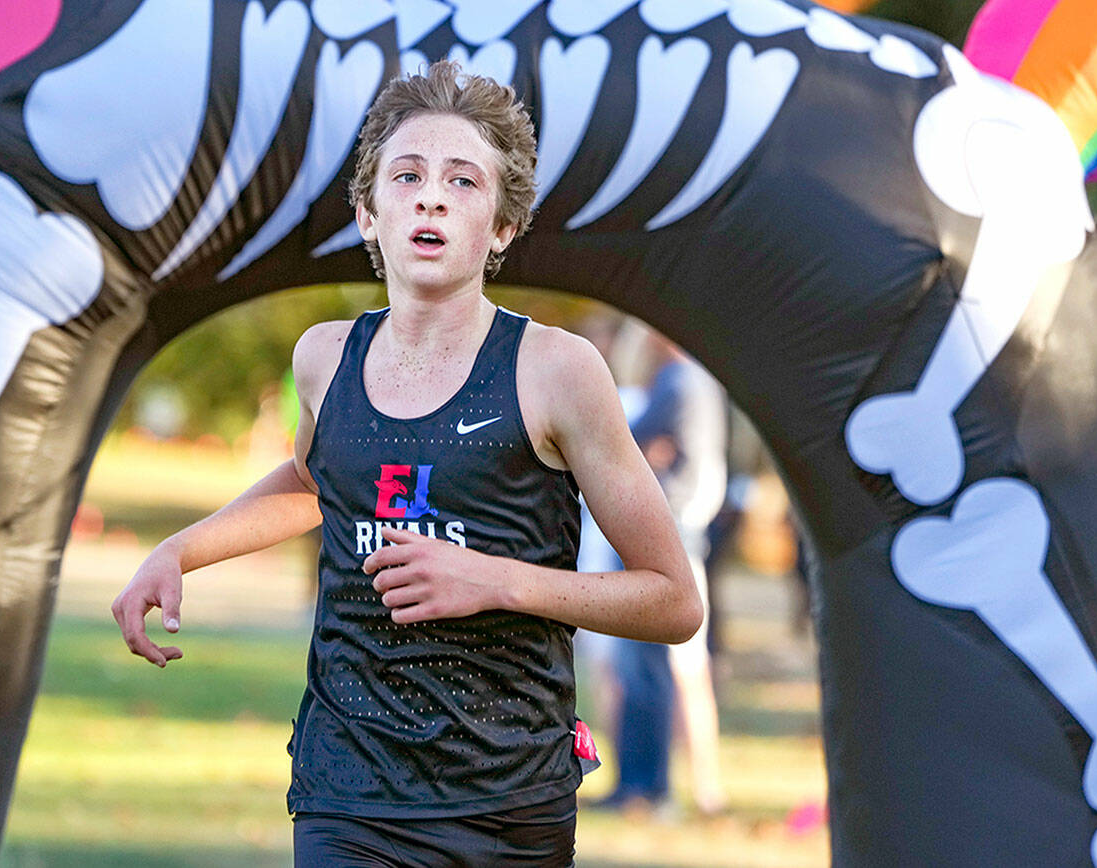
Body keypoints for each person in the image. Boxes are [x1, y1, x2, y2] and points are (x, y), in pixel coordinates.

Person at [112, 60, 703, 867]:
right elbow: (316, 484)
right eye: (409, 175)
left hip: (507, 798)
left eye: (463, 181)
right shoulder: (324, 357)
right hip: (347, 786)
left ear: (501, 226)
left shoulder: (555, 371)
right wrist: (179, 549)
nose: (431, 196)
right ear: (368, 213)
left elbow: (672, 601)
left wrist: (493, 579)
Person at [595, 342, 729, 819]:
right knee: (662, 671)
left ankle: (644, 787)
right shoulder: (703, 381)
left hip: (659, 535)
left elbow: (615, 442)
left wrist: (643, 449)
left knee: (644, 670)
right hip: (683, 532)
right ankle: (655, 787)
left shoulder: (678, 380)